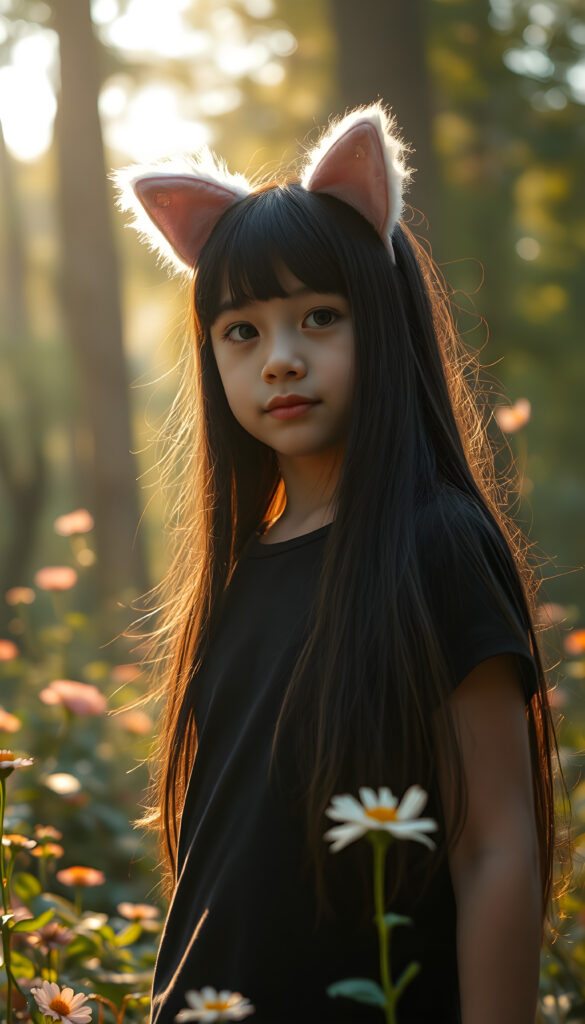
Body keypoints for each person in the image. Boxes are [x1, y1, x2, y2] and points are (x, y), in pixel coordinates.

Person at [112, 102, 571, 1024]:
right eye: (242, 331)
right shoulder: (240, 572)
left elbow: (493, 849)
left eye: (319, 317)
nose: (279, 360)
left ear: (385, 320)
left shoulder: (434, 543)